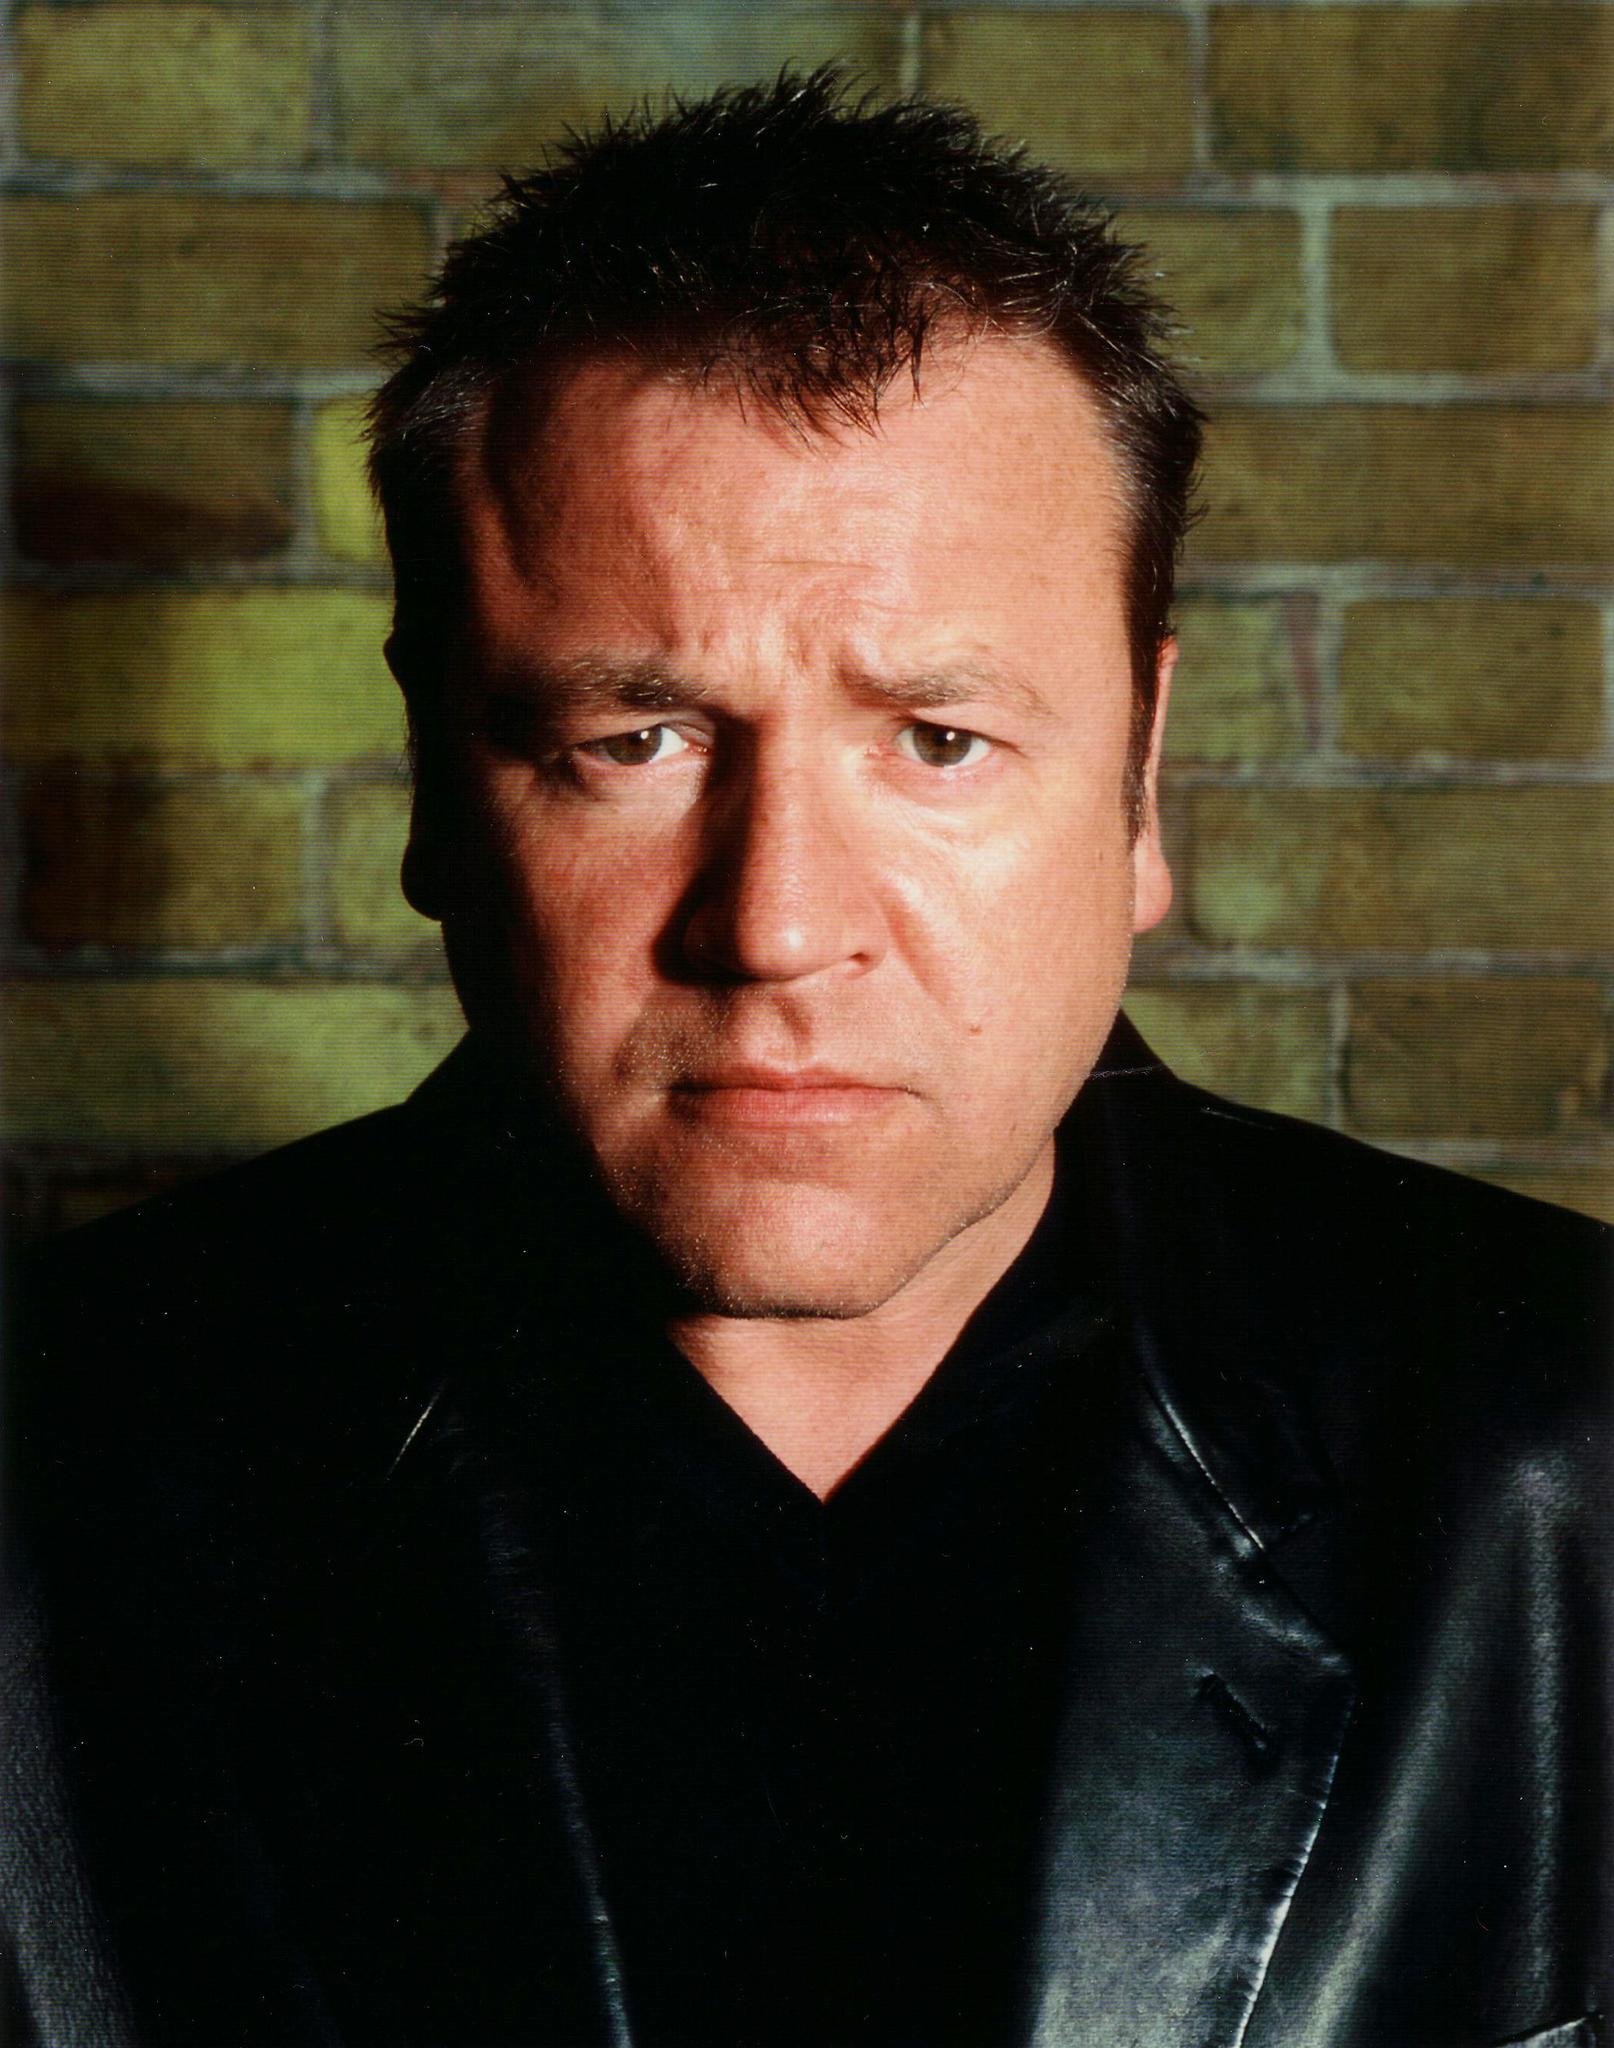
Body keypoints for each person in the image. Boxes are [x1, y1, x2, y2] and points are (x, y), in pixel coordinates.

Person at [5, 72, 1607, 2048]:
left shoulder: (1567, 1463)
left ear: (1141, 780)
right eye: (636, 741)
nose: (773, 923)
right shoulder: (52, 1483)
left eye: (939, 740)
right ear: (432, 778)